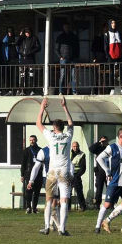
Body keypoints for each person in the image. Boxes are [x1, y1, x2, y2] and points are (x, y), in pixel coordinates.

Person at [36, 96, 74, 236]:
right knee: (64, 200)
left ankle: (47, 227)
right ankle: (62, 229)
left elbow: (38, 123)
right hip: (64, 172)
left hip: (52, 172)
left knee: (49, 200)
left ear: (54, 128)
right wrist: (65, 107)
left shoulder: (51, 136)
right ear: (63, 128)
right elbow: (71, 124)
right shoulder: (68, 136)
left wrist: (42, 107)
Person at [16, 27, 42, 95]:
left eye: (28, 32)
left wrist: (31, 52)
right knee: (22, 76)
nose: (27, 34)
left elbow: (39, 47)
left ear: (30, 32)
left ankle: (33, 90)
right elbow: (16, 43)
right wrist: (20, 35)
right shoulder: (22, 38)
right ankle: (23, 91)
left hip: (30, 59)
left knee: (31, 75)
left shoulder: (34, 38)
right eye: (26, 32)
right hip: (22, 59)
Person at [20, 135, 42, 213]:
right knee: (29, 191)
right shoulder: (26, 151)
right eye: (30, 140)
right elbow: (23, 164)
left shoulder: (40, 150)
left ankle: (34, 208)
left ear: (36, 140)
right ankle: (28, 207)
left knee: (37, 192)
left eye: (33, 140)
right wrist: (22, 175)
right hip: (28, 174)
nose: (32, 141)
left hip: (38, 174)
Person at [56, 23, 79, 95]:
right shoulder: (60, 37)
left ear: (69, 27)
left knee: (73, 75)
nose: (66, 28)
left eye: (68, 27)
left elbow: (77, 47)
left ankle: (74, 91)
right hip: (64, 58)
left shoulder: (74, 37)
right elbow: (56, 48)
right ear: (63, 27)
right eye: (65, 27)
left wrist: (76, 56)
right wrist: (60, 57)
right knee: (62, 75)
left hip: (72, 58)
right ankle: (61, 91)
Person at [89, 135, 110, 208]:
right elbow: (91, 149)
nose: (104, 142)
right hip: (100, 171)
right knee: (99, 188)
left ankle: (110, 203)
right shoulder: (98, 149)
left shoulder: (109, 148)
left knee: (110, 188)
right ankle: (97, 204)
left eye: (105, 141)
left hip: (108, 170)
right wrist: (99, 142)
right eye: (102, 141)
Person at [105, 20, 122, 94]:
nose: (114, 24)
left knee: (121, 72)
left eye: (115, 23)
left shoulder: (119, 33)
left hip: (120, 56)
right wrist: (108, 56)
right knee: (111, 73)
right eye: (112, 23)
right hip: (111, 56)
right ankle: (112, 89)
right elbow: (106, 46)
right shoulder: (107, 34)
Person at [71, 141, 88, 211]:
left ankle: (82, 206)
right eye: (74, 146)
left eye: (77, 146)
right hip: (68, 175)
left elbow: (83, 167)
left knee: (79, 191)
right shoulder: (68, 153)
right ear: (72, 147)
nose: (75, 148)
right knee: (67, 191)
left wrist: (78, 175)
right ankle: (67, 207)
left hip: (76, 175)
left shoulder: (82, 154)